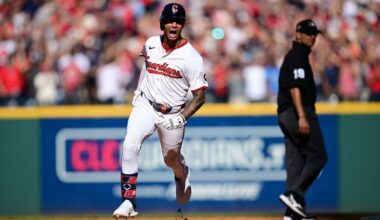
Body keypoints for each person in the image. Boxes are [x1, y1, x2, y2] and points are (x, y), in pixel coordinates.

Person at [113, 2, 208, 219]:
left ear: (183, 24)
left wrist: (181, 117)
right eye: (169, 21)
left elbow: (200, 96)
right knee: (130, 144)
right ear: (162, 24)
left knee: (170, 159)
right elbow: (146, 65)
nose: (174, 25)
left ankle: (181, 172)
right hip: (146, 105)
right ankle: (128, 201)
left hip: (173, 112)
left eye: (178, 21)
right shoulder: (151, 43)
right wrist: (138, 92)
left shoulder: (192, 57)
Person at [277, 19, 328, 220]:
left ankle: (292, 213)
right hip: (297, 112)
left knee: (296, 162)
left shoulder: (298, 56)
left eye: (315, 33)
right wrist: (302, 117)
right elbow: (295, 88)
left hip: (286, 113)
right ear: (298, 34)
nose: (313, 37)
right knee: (318, 156)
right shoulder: (297, 55)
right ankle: (295, 195)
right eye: (308, 33)